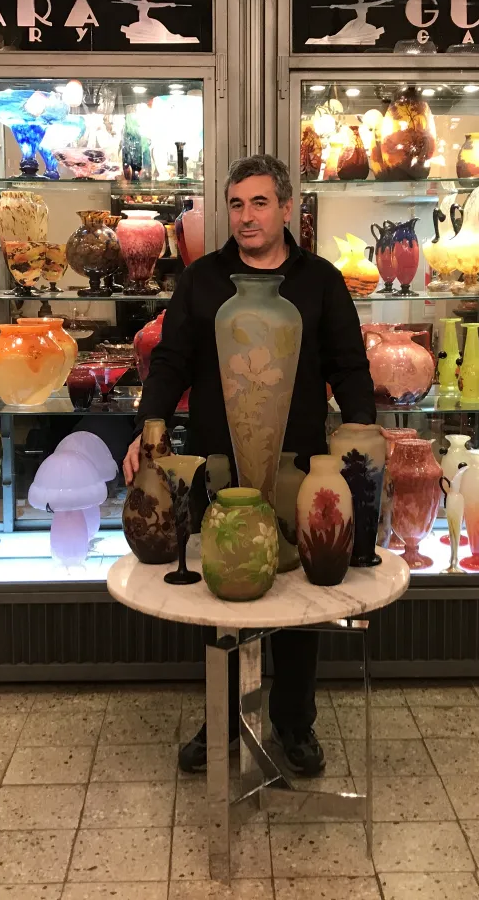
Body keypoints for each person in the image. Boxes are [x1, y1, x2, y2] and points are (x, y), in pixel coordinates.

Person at [125, 152, 376, 777]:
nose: (246, 216)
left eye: (259, 203)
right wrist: (147, 430)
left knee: (295, 593)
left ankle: (295, 723)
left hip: (297, 457)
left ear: (286, 208)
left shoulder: (320, 281)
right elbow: (171, 361)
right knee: (223, 590)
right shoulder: (203, 280)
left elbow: (349, 366)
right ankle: (224, 722)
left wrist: (365, 439)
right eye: (236, 204)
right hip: (217, 457)